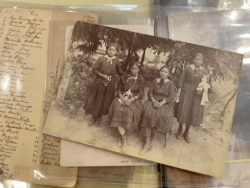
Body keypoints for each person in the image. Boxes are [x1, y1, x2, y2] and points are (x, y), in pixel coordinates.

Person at [84, 43, 125, 126]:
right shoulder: (101, 59)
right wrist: (102, 75)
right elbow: (94, 69)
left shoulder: (116, 61)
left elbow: (120, 72)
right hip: (99, 82)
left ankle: (99, 118)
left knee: (104, 100)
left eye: (113, 50)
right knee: (96, 98)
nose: (111, 51)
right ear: (107, 50)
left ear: (116, 52)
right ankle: (93, 117)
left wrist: (128, 74)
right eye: (110, 49)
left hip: (110, 83)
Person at [108, 63, 144, 152]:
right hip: (122, 96)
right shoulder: (124, 77)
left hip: (134, 98)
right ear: (130, 69)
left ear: (138, 70)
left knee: (129, 112)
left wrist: (131, 100)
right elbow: (118, 89)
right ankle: (123, 138)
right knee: (117, 109)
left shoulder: (140, 79)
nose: (134, 71)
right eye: (132, 68)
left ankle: (123, 134)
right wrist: (122, 97)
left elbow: (141, 93)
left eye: (136, 69)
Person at [140, 66, 176, 153]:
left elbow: (171, 96)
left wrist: (161, 103)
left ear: (168, 74)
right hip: (153, 100)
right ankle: (147, 141)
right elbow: (150, 93)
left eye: (166, 72)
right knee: (148, 112)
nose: (163, 73)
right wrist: (153, 101)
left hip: (164, 103)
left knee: (163, 114)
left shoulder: (170, 83)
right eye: (162, 71)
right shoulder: (155, 81)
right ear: (159, 72)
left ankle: (154, 130)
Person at [175, 53, 208, 143]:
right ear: (193, 60)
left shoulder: (203, 71)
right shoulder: (188, 68)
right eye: (196, 59)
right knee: (183, 110)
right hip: (186, 91)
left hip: (197, 94)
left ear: (202, 62)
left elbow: (206, 83)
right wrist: (179, 90)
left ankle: (187, 132)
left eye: (199, 60)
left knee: (192, 111)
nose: (197, 61)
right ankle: (180, 129)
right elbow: (181, 79)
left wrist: (203, 88)